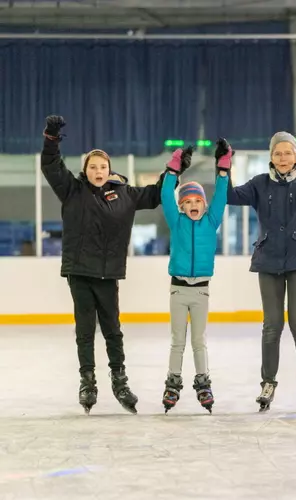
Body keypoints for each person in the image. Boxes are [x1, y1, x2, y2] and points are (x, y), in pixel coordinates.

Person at [40, 115, 165, 414]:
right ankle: (87, 380)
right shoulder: (72, 190)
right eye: (93, 166)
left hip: (108, 273)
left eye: (103, 167)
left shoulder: (124, 193)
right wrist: (51, 138)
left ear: (110, 170)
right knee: (85, 329)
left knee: (112, 329)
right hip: (79, 271)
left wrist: (173, 171)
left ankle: (119, 380)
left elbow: (156, 195)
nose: (98, 171)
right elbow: (51, 166)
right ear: (85, 170)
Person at [226, 133, 296, 412]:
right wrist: (224, 165)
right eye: (278, 153)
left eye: (288, 153)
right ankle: (268, 382)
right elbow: (229, 195)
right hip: (269, 261)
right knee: (272, 325)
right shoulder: (259, 184)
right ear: (271, 157)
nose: (283, 158)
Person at [160, 141, 231, 414]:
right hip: (178, 290)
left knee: (198, 340)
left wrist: (223, 170)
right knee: (178, 339)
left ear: (203, 204)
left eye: (197, 201)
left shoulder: (210, 222)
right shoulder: (176, 221)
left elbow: (221, 197)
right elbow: (167, 194)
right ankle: (173, 380)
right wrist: (172, 171)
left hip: (201, 291)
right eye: (187, 201)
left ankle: (203, 381)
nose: (192, 204)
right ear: (181, 206)